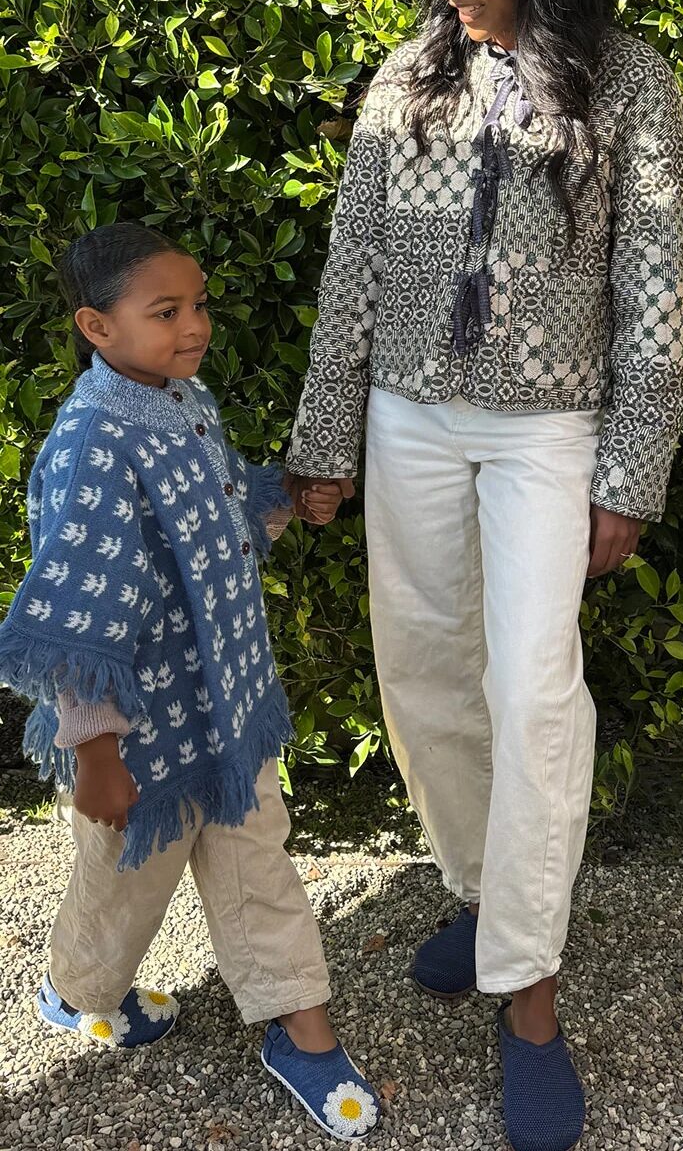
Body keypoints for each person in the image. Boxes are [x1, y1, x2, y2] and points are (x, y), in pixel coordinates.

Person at [287, 0, 683, 1146]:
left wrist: (629, 471)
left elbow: (656, 289)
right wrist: (325, 439)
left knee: (531, 691)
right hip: (408, 416)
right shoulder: (406, 80)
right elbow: (354, 263)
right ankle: (481, 894)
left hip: (546, 432)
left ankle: (529, 991)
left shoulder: (628, 84)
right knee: (422, 671)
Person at [0, 223, 380, 1143]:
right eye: (165, 311)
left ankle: (302, 1029)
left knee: (259, 859)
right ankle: (77, 991)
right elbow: (82, 617)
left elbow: (220, 516)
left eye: (198, 305)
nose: (195, 326)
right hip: (142, 734)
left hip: (229, 708)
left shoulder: (182, 400)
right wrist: (96, 753)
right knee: (125, 884)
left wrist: (289, 496)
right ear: (97, 326)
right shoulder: (91, 443)